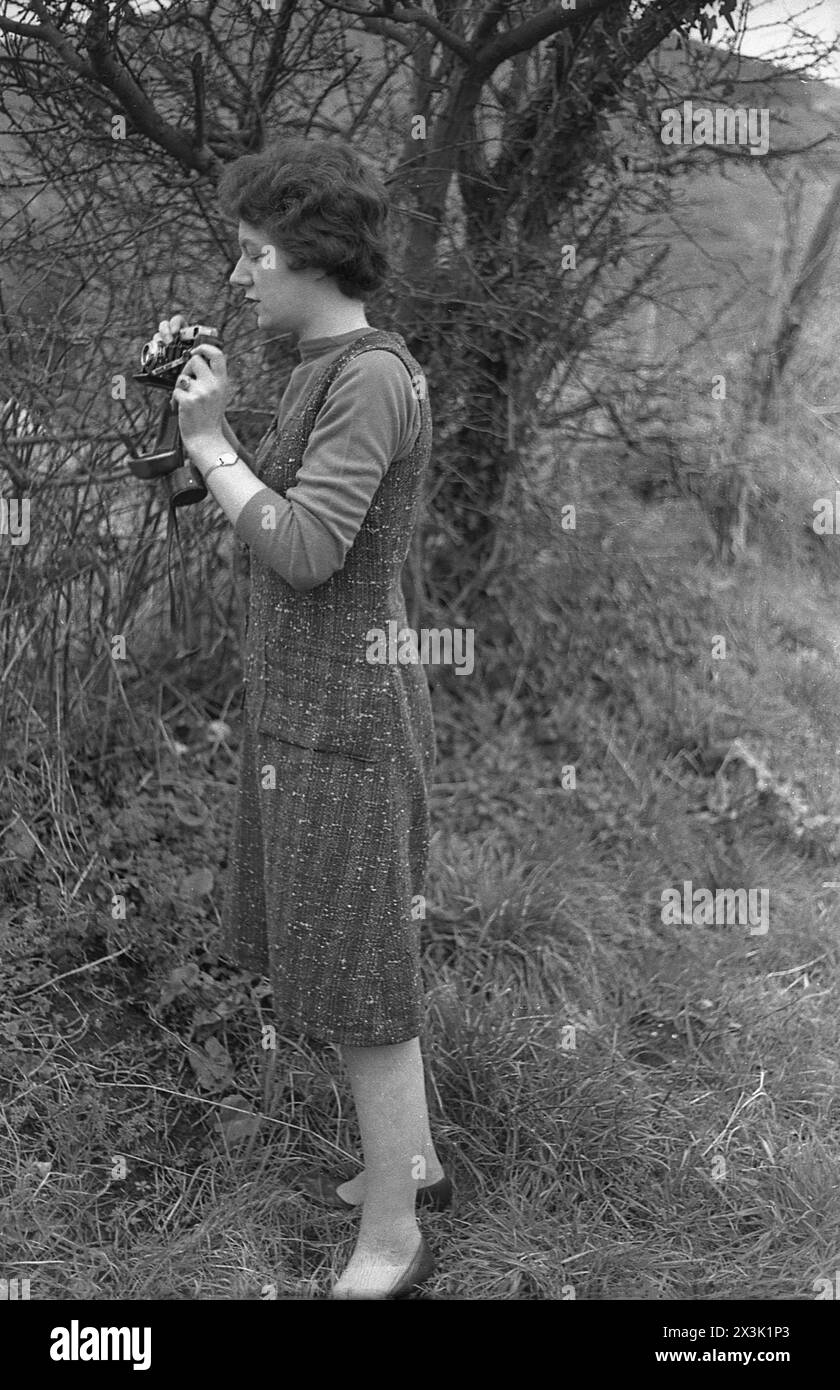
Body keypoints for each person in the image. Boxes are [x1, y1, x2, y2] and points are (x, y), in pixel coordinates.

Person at [159, 136, 449, 1299]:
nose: (241, 274)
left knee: (360, 976)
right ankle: (412, 1157)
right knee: (346, 950)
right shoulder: (329, 363)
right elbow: (262, 497)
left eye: (252, 252)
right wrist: (196, 410)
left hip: (346, 717)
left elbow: (308, 548)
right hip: (311, 709)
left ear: (309, 255)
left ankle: (393, 1238)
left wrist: (213, 442)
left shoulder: (372, 376)